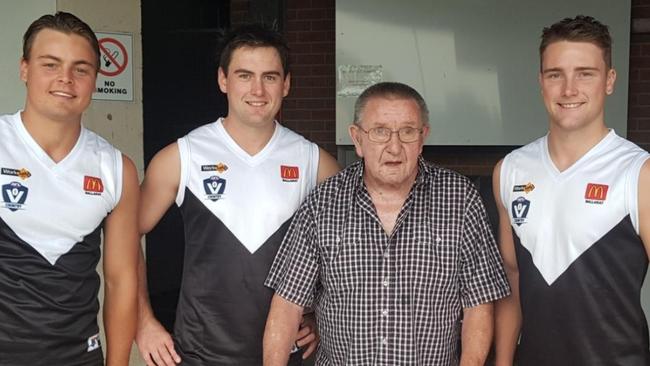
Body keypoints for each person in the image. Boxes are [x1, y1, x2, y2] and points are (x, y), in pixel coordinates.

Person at [135, 24, 340, 366]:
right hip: (201, 354)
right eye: (244, 75)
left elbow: (347, 255)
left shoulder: (314, 162)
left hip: (288, 353)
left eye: (270, 77)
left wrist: (321, 317)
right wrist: (143, 322)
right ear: (223, 80)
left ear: (286, 84)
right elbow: (124, 236)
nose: (257, 89)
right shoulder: (182, 156)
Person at [263, 82, 510, 365]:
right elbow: (286, 305)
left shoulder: (460, 199)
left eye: (407, 131)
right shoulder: (323, 203)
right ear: (357, 139)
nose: (394, 147)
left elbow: (478, 306)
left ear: (422, 138)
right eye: (380, 132)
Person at [493, 15, 650, 365]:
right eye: (555, 75)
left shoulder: (638, 173)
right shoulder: (510, 170)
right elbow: (512, 279)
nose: (568, 90)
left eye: (585, 73)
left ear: (609, 81)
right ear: (541, 82)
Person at [0, 12, 139, 366]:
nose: (66, 79)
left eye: (81, 68)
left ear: (94, 79)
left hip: (78, 357)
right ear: (25, 69)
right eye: (51, 64)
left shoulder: (115, 169)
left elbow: (122, 280)